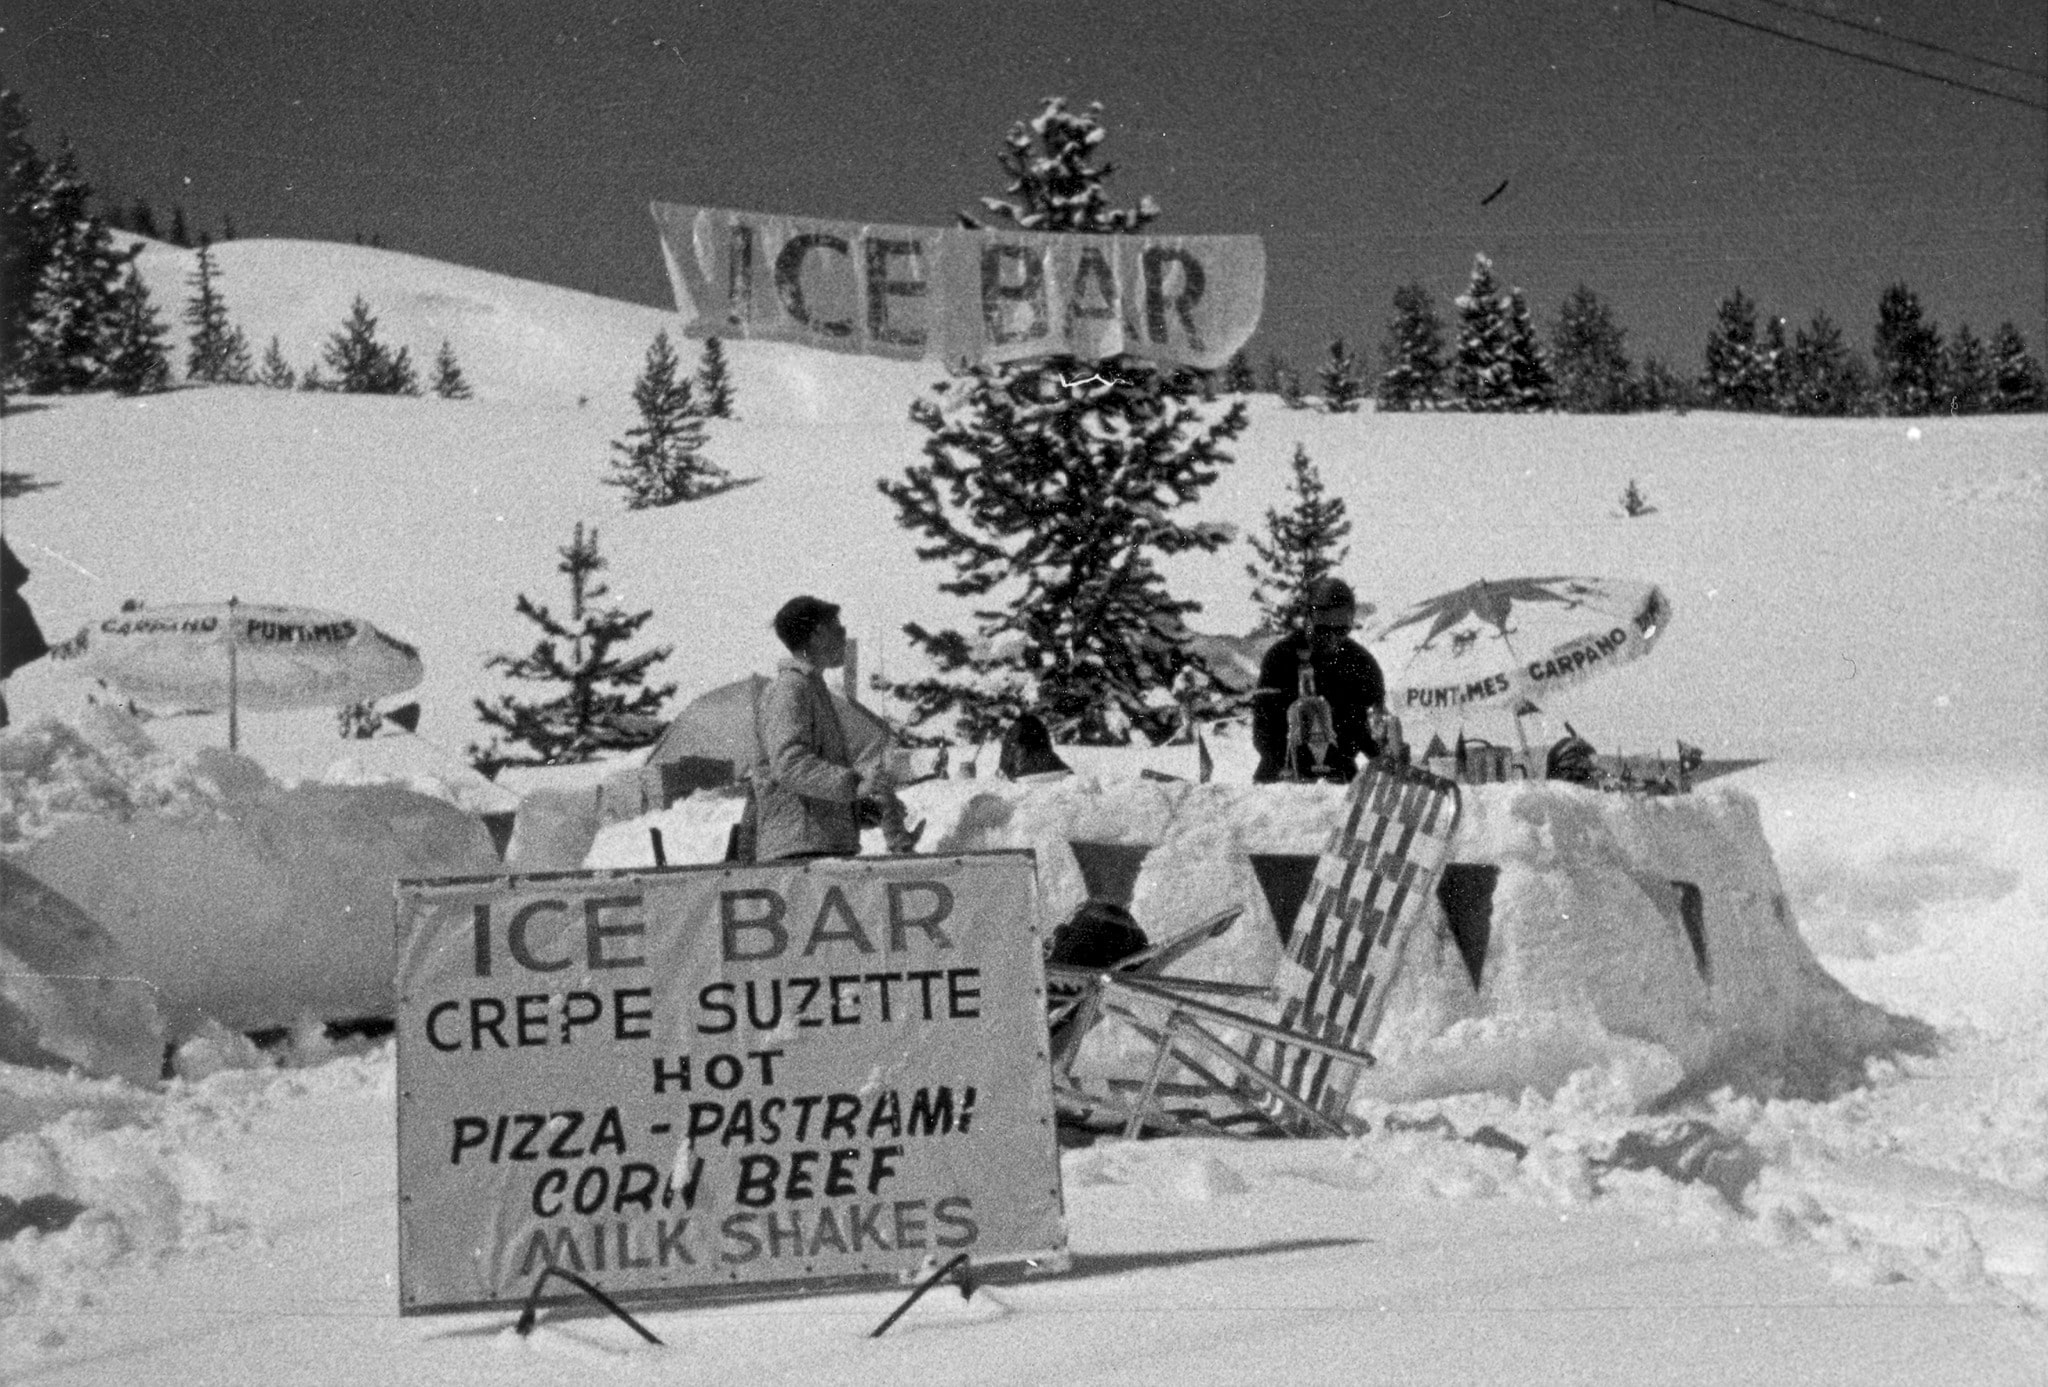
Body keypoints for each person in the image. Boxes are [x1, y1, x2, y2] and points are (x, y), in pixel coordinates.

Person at [752, 594, 903, 861]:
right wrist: (854, 784)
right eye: (839, 628)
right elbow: (790, 765)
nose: (844, 637)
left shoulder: (812, 688)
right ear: (818, 634)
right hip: (800, 854)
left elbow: (812, 781)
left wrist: (857, 807)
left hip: (818, 848)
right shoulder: (790, 688)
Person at [1251, 576, 1385, 783]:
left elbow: (1372, 730)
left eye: (1341, 630)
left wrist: (1385, 753)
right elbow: (1264, 735)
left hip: (1340, 774)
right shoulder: (1281, 658)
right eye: (1323, 629)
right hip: (1283, 774)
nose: (1332, 638)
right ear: (1309, 619)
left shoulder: (1361, 663)